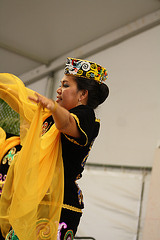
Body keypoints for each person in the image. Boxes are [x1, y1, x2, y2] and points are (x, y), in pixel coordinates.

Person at [0, 57, 109, 240]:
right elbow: (19, 98)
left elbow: (66, 123)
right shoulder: (48, 116)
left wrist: (52, 107)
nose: (59, 90)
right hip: (36, 202)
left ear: (82, 94)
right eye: (60, 85)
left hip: (59, 205)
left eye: (66, 85)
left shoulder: (85, 115)